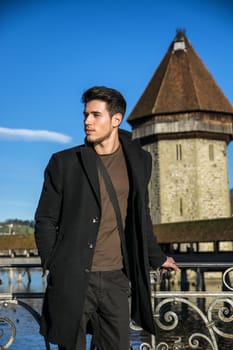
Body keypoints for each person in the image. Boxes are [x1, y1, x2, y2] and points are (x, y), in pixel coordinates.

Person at [34, 86, 179, 350]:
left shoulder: (139, 160)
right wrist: (54, 264)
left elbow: (139, 214)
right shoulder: (64, 163)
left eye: (95, 115)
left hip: (116, 278)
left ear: (116, 119)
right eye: (85, 114)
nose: (87, 121)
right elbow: (45, 219)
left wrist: (157, 257)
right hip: (73, 277)